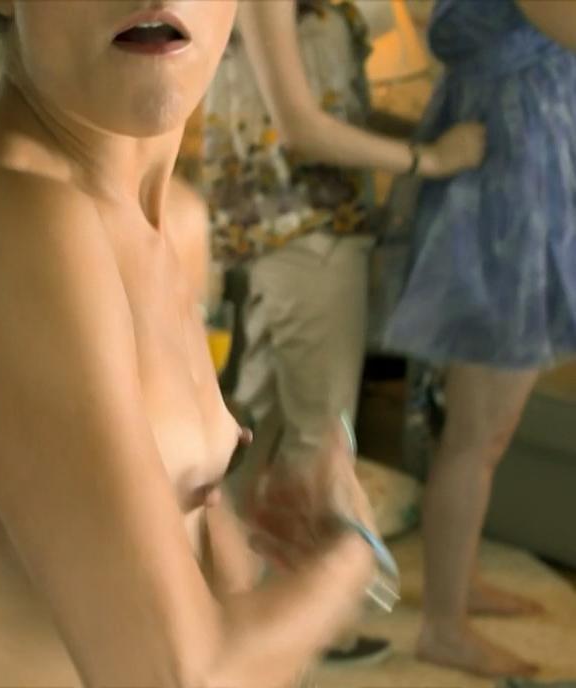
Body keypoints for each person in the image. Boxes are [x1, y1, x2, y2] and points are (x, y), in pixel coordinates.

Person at [0, 1, 387, 685]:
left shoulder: (176, 220)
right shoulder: (13, 224)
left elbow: (184, 592)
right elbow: (180, 677)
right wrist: (351, 559)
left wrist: (264, 564)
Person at [196, 0, 486, 665]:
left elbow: (334, 110)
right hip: (300, 228)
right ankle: (315, 630)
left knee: (261, 427)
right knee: (320, 438)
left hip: (309, 227)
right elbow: (300, 127)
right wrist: (429, 158)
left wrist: (427, 135)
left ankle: (226, 606)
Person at [381, 0, 576, 678]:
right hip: (511, 193)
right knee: (476, 433)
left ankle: (458, 587)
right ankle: (444, 628)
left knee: (481, 433)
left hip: (519, 179)